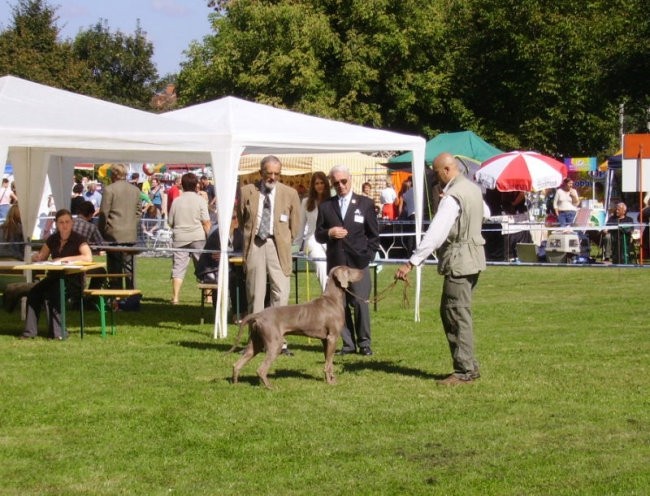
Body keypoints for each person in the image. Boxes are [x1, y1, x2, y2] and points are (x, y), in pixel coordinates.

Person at [395, 152, 487, 385]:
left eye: (436, 174)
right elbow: (486, 214)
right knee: (458, 312)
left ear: (447, 169)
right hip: (474, 258)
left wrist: (412, 262)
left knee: (455, 313)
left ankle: (464, 370)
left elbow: (435, 234)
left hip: (459, 260)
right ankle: (469, 366)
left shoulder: (452, 196)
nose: (436, 180)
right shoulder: (473, 188)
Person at [238, 155, 300, 355]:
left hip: (278, 245)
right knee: (255, 294)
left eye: (276, 173)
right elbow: (242, 220)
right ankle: (254, 342)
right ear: (260, 172)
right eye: (268, 173)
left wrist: (284, 239)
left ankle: (278, 343)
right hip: (255, 244)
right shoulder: (247, 191)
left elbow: (296, 225)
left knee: (281, 293)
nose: (272, 177)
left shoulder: (290, 193)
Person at [315, 164, 379, 356]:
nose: (341, 185)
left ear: (350, 180)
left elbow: (374, 235)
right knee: (338, 306)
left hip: (358, 264)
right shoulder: (326, 206)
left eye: (344, 181)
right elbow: (318, 235)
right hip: (336, 265)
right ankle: (348, 344)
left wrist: (367, 256)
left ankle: (365, 343)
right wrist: (329, 232)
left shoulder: (365, 204)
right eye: (336, 183)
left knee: (360, 303)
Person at [20, 209, 93, 340]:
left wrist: (65, 260)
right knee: (34, 293)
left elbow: (88, 257)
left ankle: (58, 333)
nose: (64, 225)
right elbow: (42, 255)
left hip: (73, 280)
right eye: (61, 222)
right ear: (56, 224)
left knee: (54, 292)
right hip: (53, 278)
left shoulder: (78, 239)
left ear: (72, 223)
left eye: (67, 222)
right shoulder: (52, 239)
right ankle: (29, 332)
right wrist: (37, 257)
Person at [168, 172, 211, 304]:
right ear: (196, 184)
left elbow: (170, 221)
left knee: (178, 268)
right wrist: (210, 238)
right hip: (198, 238)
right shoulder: (200, 201)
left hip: (180, 238)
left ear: (182, 185)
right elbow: (206, 222)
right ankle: (209, 297)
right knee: (204, 268)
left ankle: (175, 297)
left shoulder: (176, 201)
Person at [98, 163, 142, 289]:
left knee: (114, 268)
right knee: (129, 267)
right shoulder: (135, 190)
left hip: (113, 234)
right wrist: (131, 223)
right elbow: (139, 211)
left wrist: (101, 232)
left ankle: (115, 295)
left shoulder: (109, 189)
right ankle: (131, 295)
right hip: (130, 234)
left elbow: (103, 213)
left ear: (113, 174)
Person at [296, 171, 331, 291]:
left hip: (330, 240)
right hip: (312, 239)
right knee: (321, 265)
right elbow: (301, 225)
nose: (320, 185)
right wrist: (296, 245)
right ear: (313, 185)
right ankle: (328, 294)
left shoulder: (332, 201)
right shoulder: (306, 202)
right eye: (317, 183)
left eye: (322, 183)